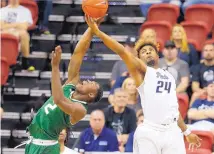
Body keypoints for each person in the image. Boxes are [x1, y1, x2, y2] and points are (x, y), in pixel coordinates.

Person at [85, 15, 201, 154]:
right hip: (150, 131)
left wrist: (187, 132)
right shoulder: (142, 73)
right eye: (144, 52)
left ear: (158, 55)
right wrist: (98, 33)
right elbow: (121, 51)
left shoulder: (169, 76)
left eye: (150, 50)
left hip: (172, 131)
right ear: (139, 59)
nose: (148, 53)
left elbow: (173, 109)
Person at [21, 26, 103, 154]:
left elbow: (59, 100)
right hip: (32, 144)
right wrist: (92, 28)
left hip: (47, 148)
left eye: (91, 83)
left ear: (91, 94)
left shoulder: (80, 109)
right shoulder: (70, 86)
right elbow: (79, 53)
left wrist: (55, 67)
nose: (86, 81)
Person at [0, 0, 35, 71]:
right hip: (4, 32)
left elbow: (24, 27)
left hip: (18, 33)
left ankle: (25, 61)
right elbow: (1, 26)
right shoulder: (2, 10)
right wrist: (17, 24)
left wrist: (8, 25)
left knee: (24, 34)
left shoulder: (25, 11)